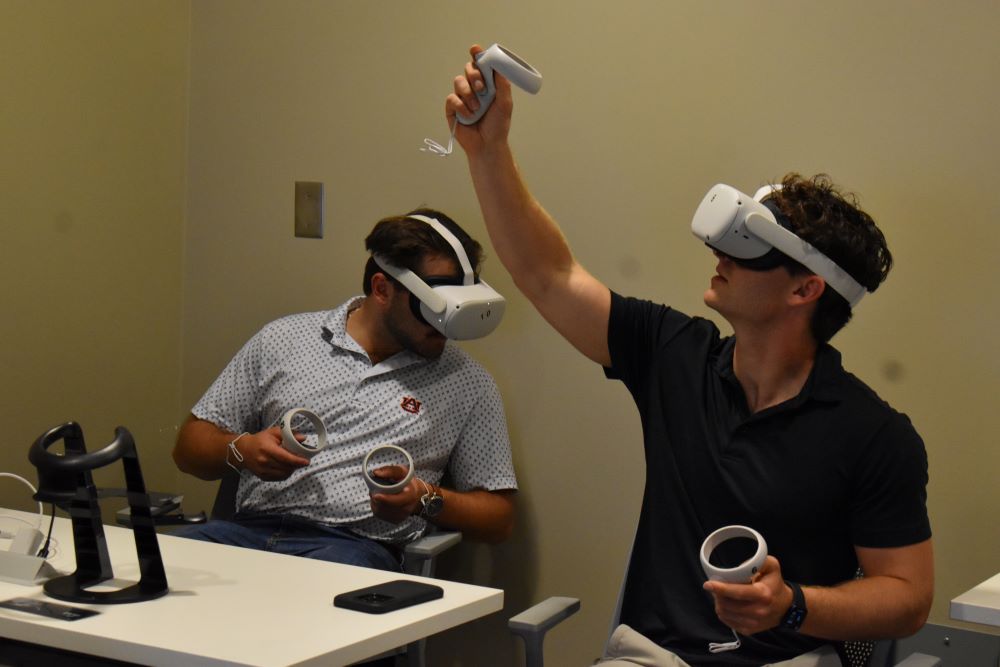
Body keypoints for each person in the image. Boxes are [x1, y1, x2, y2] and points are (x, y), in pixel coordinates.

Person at [444, 46, 932, 666]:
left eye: (748, 247)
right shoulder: (674, 355)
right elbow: (548, 274)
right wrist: (488, 151)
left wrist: (794, 605)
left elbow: (908, 597)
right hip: (652, 658)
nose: (720, 256)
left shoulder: (872, 434)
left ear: (805, 289)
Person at [171, 207, 517, 572]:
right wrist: (241, 450)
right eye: (434, 309)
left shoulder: (466, 382)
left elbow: (499, 519)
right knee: (153, 570)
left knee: (306, 612)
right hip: (243, 536)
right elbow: (188, 449)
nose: (446, 326)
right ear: (382, 288)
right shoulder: (284, 340)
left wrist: (424, 499)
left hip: (349, 549)